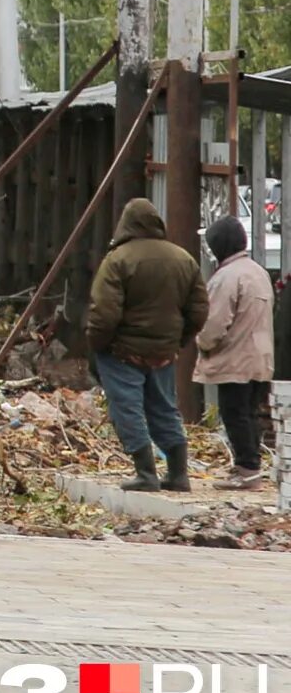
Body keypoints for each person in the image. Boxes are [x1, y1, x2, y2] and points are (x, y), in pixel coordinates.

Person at [83, 196, 210, 493]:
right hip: (164, 353)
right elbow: (199, 310)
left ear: (125, 224)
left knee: (127, 408)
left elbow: (104, 313)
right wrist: (178, 341)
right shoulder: (184, 259)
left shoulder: (117, 260)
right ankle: (178, 474)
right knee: (165, 408)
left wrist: (96, 346)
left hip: (122, 352)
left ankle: (146, 473)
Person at [194, 214, 278, 491]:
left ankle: (247, 470)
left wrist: (202, 343)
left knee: (234, 413)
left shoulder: (225, 278)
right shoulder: (258, 272)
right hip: (260, 358)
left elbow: (214, 323)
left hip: (236, 359)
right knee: (249, 413)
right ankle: (251, 467)